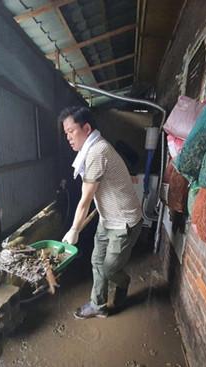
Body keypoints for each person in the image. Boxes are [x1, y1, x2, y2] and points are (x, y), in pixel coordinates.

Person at [60, 106, 143, 319]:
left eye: (71, 131)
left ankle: (123, 283)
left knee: (109, 269)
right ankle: (98, 305)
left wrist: (74, 229)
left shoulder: (98, 151)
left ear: (86, 128)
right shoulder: (91, 148)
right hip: (107, 218)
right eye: (66, 133)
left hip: (125, 222)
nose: (68, 137)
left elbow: (85, 199)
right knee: (96, 261)